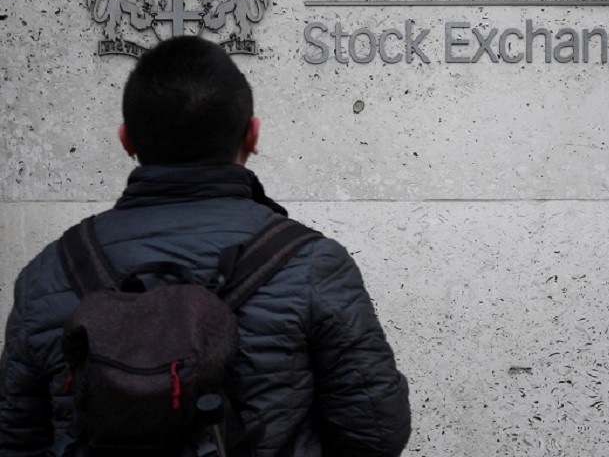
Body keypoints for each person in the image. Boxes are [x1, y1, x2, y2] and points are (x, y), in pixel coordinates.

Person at [0, 36, 411, 456]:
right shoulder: (312, 265)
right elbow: (377, 434)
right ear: (252, 135)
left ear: (126, 140)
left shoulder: (49, 273)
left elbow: (16, 441)